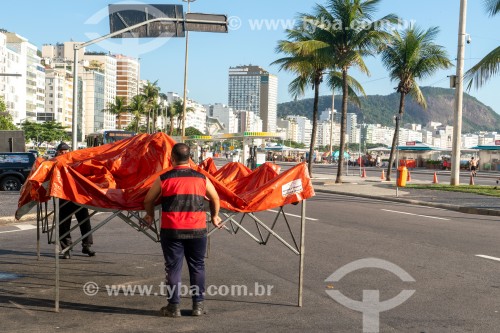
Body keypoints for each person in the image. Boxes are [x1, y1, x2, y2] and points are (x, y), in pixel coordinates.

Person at [143, 143, 222, 317]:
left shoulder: (164, 178)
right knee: (197, 266)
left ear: (171, 158)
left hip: (172, 230)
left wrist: (149, 215)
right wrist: (215, 216)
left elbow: (149, 200)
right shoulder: (201, 178)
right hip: (197, 229)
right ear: (190, 158)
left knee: (173, 268)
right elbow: (215, 198)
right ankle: (198, 306)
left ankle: (173, 307)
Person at [55, 142, 96, 259]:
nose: (63, 153)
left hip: (78, 196)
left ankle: (87, 246)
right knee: (64, 224)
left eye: (65, 151)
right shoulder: (55, 163)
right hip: (64, 197)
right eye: (61, 152)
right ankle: (66, 249)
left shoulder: (75, 162)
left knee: (84, 221)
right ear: (58, 152)